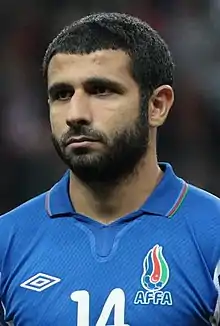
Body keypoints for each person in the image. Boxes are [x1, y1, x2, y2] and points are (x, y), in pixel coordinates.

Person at [0, 12, 219, 326]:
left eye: (101, 91)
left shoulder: (213, 238)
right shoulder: (7, 243)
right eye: (61, 95)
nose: (76, 114)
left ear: (157, 105)